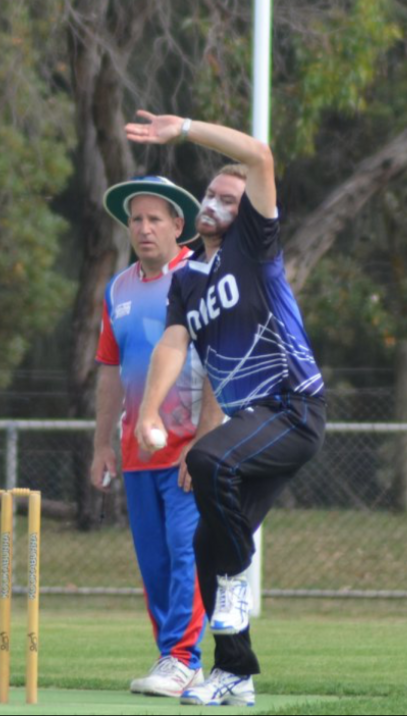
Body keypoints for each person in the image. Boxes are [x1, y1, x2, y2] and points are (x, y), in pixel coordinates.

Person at [128, 112, 326, 707]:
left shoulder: (254, 244)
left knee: (209, 461)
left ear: (246, 212)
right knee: (212, 546)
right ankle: (235, 673)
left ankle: (237, 582)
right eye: (210, 193)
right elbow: (172, 343)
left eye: (227, 197)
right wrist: (147, 414)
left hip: (292, 407)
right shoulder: (186, 278)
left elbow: (260, 156)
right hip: (253, 426)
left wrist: (184, 129)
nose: (214, 201)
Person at [91, 175, 216, 698]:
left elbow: (219, 366)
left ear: (177, 226)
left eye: (154, 219)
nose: (143, 228)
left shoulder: (199, 276)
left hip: (189, 448)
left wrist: (204, 442)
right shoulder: (117, 289)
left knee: (187, 551)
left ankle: (184, 659)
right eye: (136, 219)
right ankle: (172, 657)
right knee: (155, 561)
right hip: (137, 452)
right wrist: (101, 445)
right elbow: (107, 371)